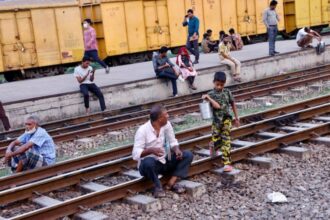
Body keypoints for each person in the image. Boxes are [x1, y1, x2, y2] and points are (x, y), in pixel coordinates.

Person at [132, 104, 194, 198]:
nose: (168, 116)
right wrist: (150, 150)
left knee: (188, 155)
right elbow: (135, 154)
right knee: (148, 162)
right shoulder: (142, 131)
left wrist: (176, 150)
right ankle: (158, 187)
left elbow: (173, 141)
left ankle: (172, 182)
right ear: (160, 118)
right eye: (166, 114)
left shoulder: (166, 124)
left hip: (164, 161)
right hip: (150, 167)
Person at [202, 72, 240, 172]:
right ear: (213, 82)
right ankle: (212, 145)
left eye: (221, 85)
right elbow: (215, 106)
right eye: (217, 84)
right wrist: (207, 99)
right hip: (216, 122)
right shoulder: (210, 94)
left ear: (224, 84)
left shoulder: (227, 92)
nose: (219, 87)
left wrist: (236, 118)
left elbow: (233, 104)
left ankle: (226, 164)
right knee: (216, 141)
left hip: (226, 120)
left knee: (226, 141)